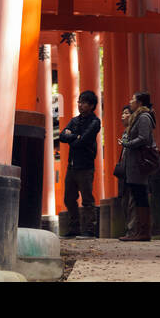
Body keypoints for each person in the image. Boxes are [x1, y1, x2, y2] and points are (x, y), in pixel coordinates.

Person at [57, 90, 101, 238]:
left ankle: (89, 230)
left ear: (91, 105)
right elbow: (62, 136)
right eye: (79, 102)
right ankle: (74, 229)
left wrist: (73, 137)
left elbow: (84, 141)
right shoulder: (75, 120)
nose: (80, 105)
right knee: (68, 198)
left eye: (83, 102)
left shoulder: (95, 122)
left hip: (86, 166)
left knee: (87, 200)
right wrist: (76, 136)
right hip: (72, 165)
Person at [119, 92, 157, 241]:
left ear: (140, 103)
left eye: (133, 99)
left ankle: (143, 232)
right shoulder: (139, 117)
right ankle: (139, 232)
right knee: (138, 195)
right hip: (134, 163)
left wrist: (127, 144)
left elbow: (144, 138)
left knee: (140, 196)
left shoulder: (143, 117)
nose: (130, 101)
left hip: (139, 163)